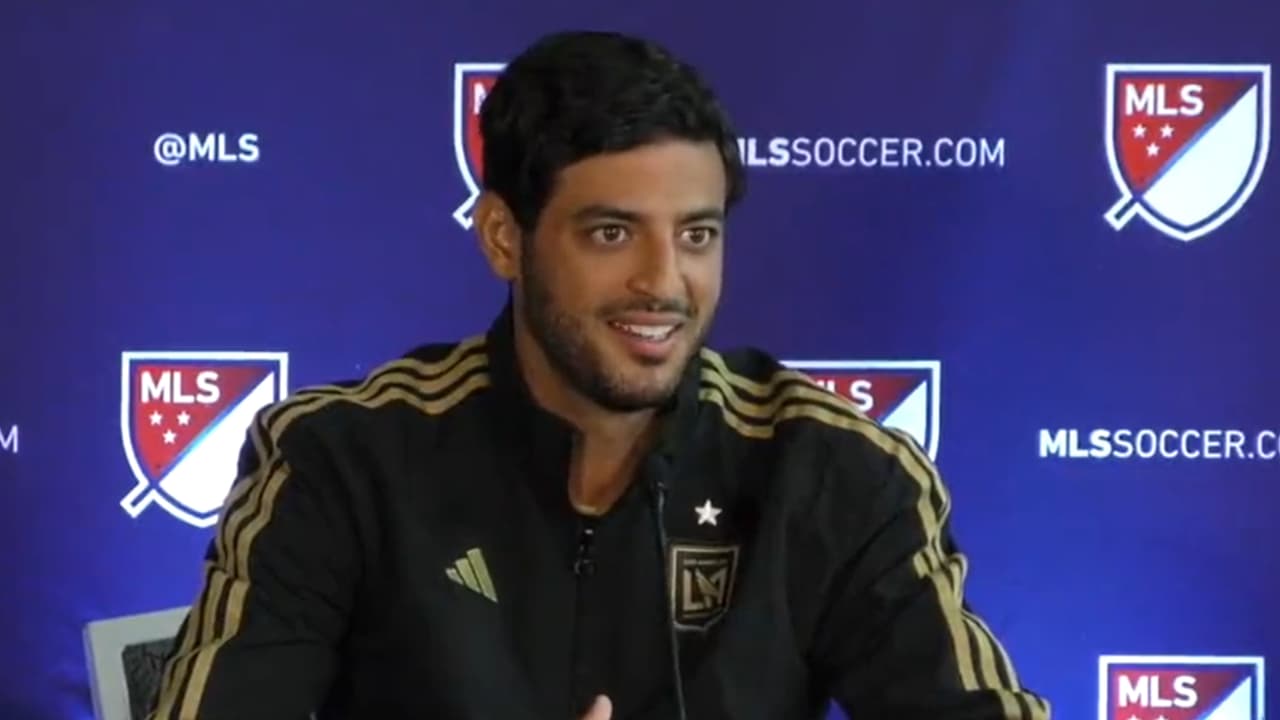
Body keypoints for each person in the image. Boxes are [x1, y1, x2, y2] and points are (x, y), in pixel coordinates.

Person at [147, 29, 1051, 720]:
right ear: (505, 238)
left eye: (697, 234)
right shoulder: (343, 459)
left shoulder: (831, 474)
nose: (665, 283)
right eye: (612, 233)